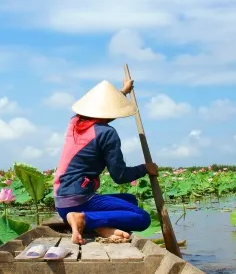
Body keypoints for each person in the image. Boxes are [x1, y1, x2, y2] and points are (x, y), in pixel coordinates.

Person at [53, 78, 159, 244]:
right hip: (80, 202)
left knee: (130, 200)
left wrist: (122, 92)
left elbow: (102, 110)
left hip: (61, 203)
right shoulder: (107, 133)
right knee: (142, 217)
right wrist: (145, 168)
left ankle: (98, 226)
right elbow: (120, 175)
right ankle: (84, 219)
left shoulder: (74, 123)